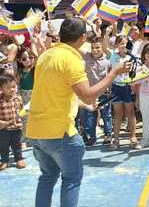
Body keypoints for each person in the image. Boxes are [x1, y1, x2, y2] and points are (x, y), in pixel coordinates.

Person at [26, 18, 130, 207]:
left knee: (47, 177)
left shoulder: (46, 55)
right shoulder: (72, 60)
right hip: (60, 132)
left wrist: (82, 105)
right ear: (83, 38)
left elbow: (54, 91)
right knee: (71, 179)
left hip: (37, 130)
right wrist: (113, 73)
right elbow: (89, 95)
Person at [105, 35, 138, 150]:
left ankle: (133, 137)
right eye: (121, 43)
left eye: (125, 43)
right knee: (117, 114)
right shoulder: (112, 56)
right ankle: (116, 139)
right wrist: (107, 33)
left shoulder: (132, 57)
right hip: (116, 87)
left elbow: (135, 74)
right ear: (116, 45)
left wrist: (134, 87)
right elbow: (105, 48)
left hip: (128, 87)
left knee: (130, 113)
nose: (123, 45)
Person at [0, 73, 24, 170]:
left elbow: (22, 110)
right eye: (8, 88)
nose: (12, 89)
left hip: (16, 127)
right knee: (3, 145)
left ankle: (19, 159)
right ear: (1, 88)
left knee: (17, 144)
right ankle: (4, 160)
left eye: (14, 87)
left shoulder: (18, 98)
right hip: (3, 129)